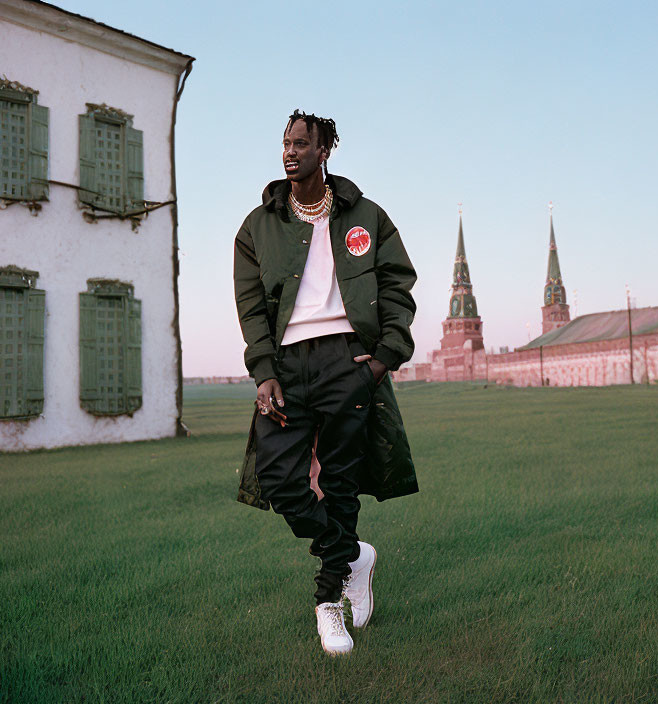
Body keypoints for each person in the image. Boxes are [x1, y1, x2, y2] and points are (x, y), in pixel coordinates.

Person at [233, 110, 418, 656]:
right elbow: (250, 307)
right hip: (287, 365)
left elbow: (399, 286)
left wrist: (384, 358)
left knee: (339, 485)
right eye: (285, 143)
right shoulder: (257, 226)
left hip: (348, 360)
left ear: (325, 150)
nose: (290, 152)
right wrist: (263, 370)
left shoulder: (368, 216)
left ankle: (327, 604)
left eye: (300, 144)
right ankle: (353, 555)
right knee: (281, 480)